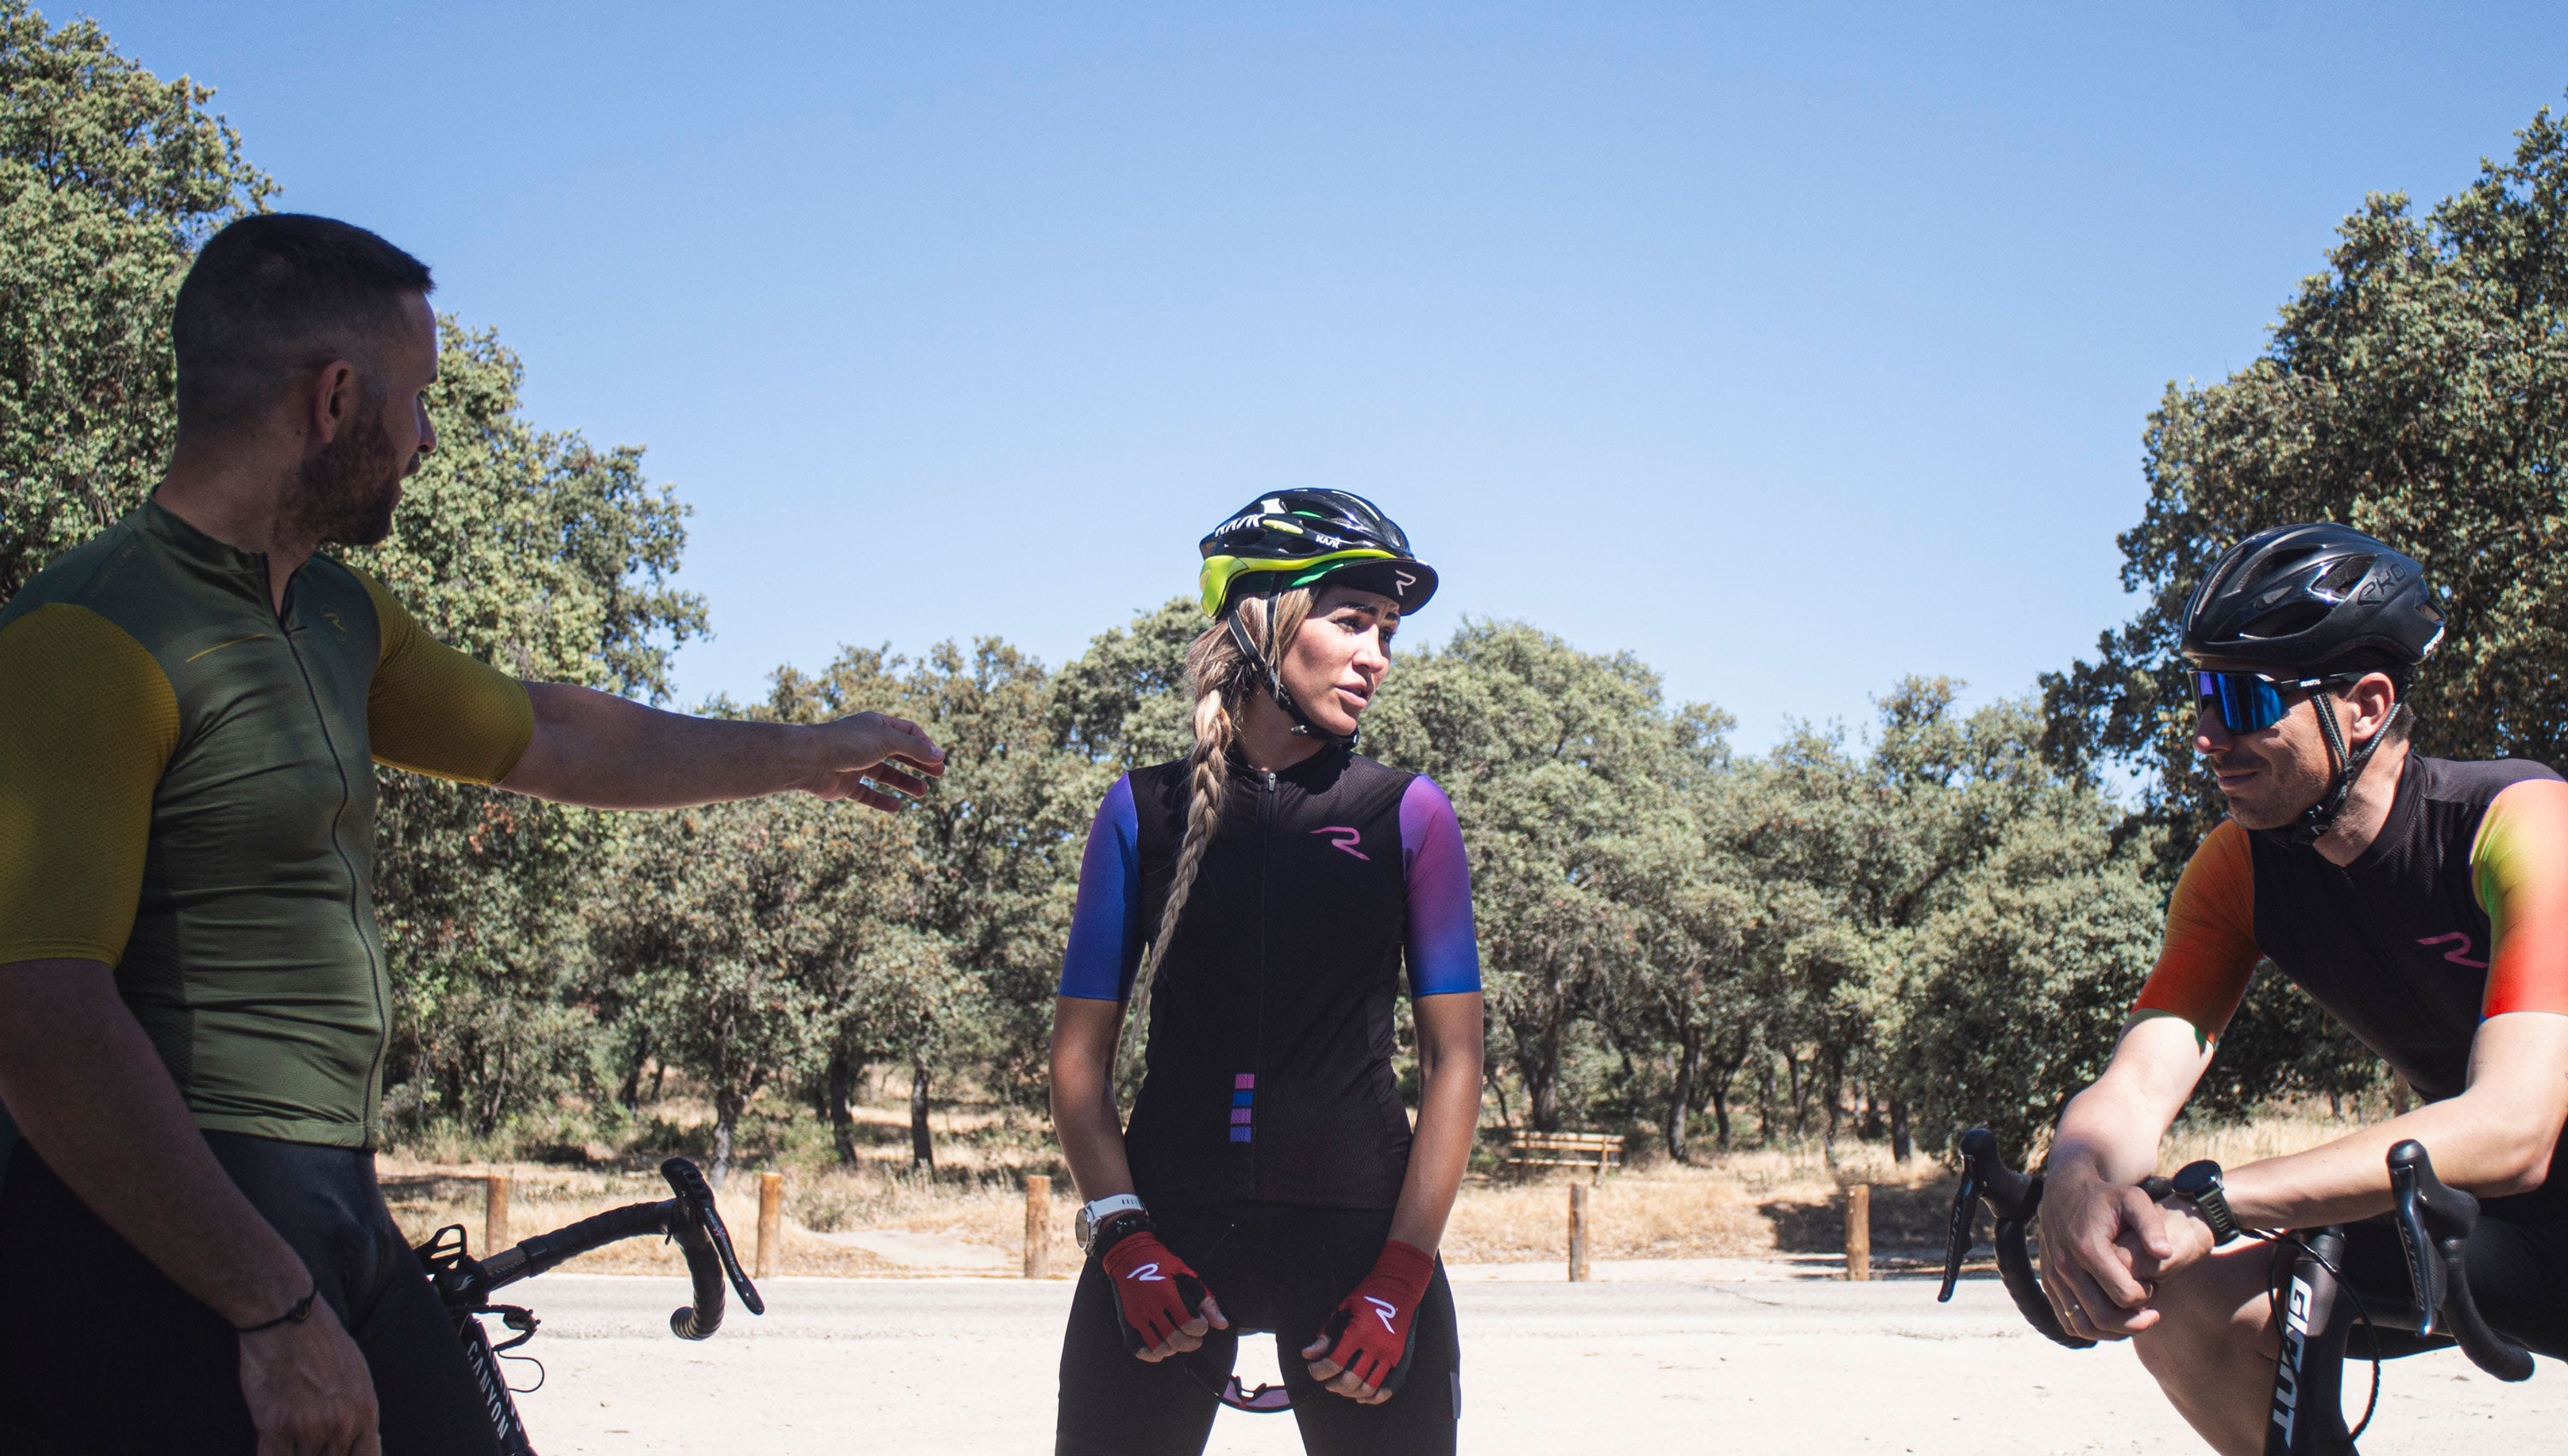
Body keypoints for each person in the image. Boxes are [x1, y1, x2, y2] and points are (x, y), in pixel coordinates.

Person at [0, 214, 947, 1456]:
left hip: (326, 1191)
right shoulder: (91, 636)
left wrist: (804, 752)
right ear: (337, 399)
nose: (428, 438)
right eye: (419, 399)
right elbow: (40, 1018)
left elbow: (550, 735)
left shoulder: (335, 615)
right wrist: (267, 1301)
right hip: (158, 1230)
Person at [2035, 523, 2568, 1453]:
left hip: (2516, 1185)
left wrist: (2212, 1200)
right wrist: (2075, 1174)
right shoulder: (2238, 870)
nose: (2207, 736)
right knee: (2192, 1295)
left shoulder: (2518, 823)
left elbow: (2514, 1127)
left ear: (2365, 705)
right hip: (2502, 1234)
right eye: (2202, 694)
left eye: (2243, 697)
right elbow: (2141, 1078)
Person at [1048, 490, 1483, 1456]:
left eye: (1388, 632)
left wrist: (1403, 1274)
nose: (1376, 656)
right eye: (1351, 621)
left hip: (1361, 1244)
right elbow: (1079, 1061)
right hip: (1164, 1230)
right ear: (1264, 621)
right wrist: (1125, 1241)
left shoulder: (1409, 815)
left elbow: (1458, 1062)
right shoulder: (1140, 811)